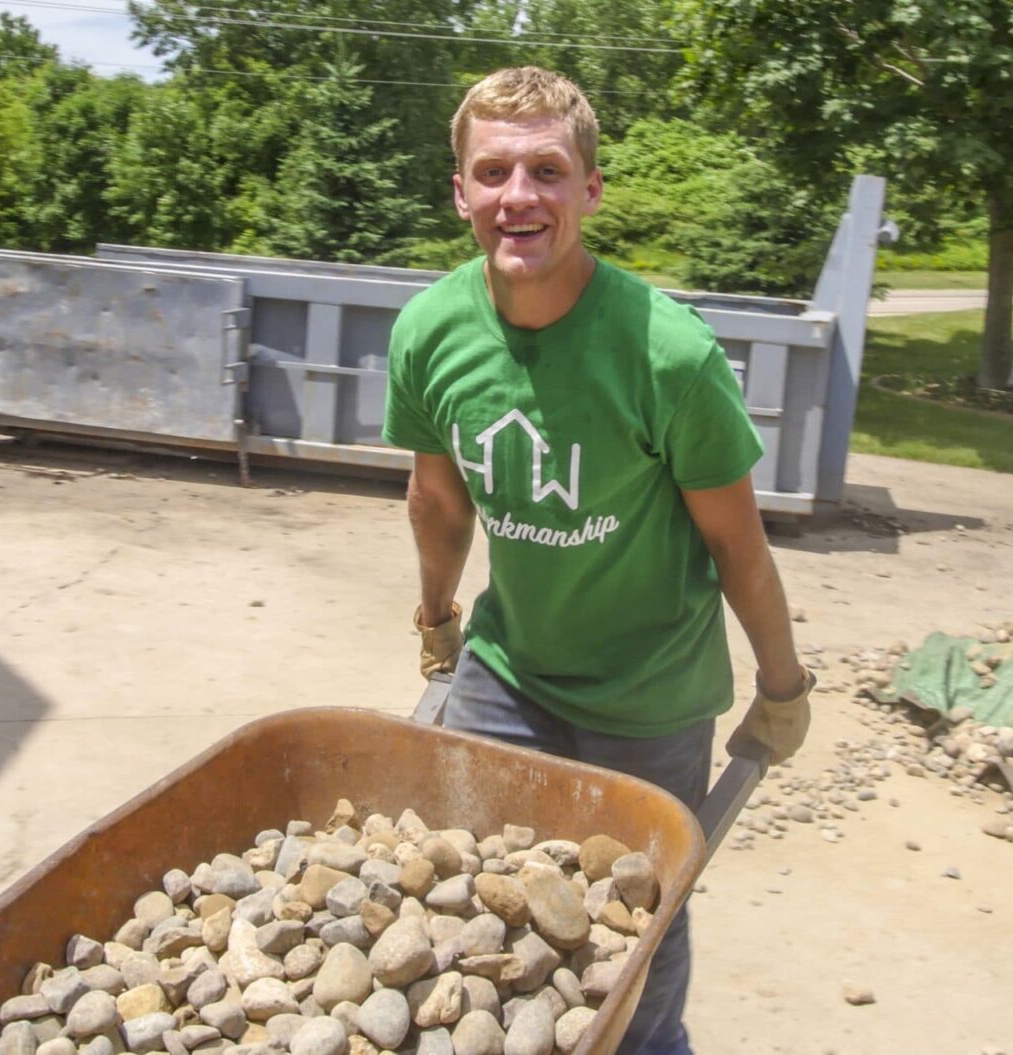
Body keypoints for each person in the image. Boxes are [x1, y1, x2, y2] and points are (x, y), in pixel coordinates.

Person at [380, 65, 815, 1055]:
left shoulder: (667, 353)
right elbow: (438, 499)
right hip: (505, 672)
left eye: (545, 169)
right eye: (491, 171)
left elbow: (733, 541)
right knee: (474, 895)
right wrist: (436, 620)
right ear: (459, 192)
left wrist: (781, 686)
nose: (517, 196)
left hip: (648, 696)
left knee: (637, 926)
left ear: (590, 188)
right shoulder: (429, 332)